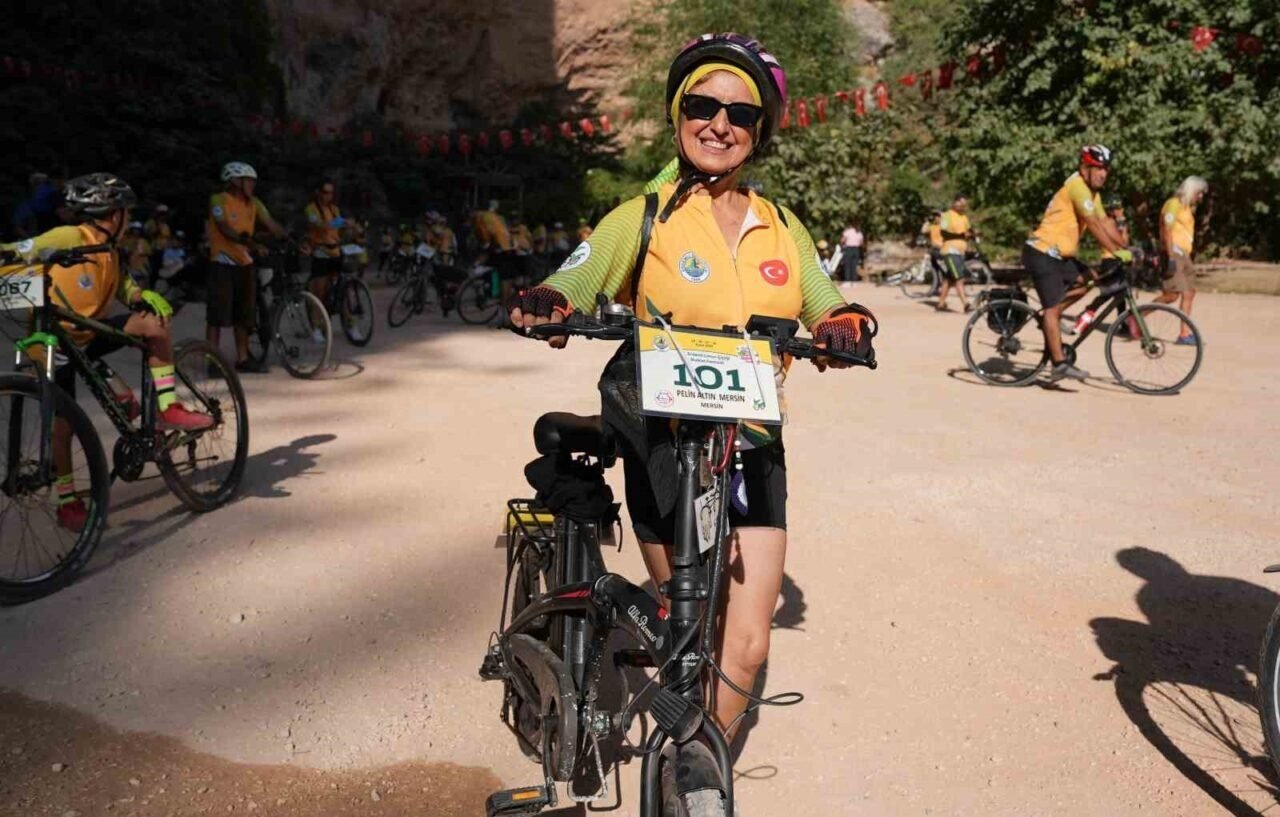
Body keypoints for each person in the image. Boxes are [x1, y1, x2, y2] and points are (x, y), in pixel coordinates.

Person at [508, 32, 877, 739]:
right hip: (664, 438)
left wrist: (844, 325)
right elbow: (581, 273)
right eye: (703, 106)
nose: (719, 124)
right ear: (679, 115)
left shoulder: (781, 225)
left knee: (748, 644)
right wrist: (552, 299)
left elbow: (826, 301)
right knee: (687, 621)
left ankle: (699, 766)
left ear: (759, 131)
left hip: (751, 440)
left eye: (740, 114)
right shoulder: (645, 215)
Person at [0, 173, 213, 531]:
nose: (128, 220)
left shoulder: (110, 251)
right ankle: (67, 501)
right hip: (55, 340)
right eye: (126, 213)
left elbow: (122, 285)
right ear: (115, 216)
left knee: (154, 324)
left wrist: (139, 295)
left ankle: (168, 407)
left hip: (89, 333)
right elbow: (24, 249)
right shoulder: (70, 236)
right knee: (62, 427)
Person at [1022, 145, 1131, 381]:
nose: (1103, 174)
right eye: (1098, 168)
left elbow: (1105, 223)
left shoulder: (1093, 194)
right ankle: (1059, 364)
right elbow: (1093, 225)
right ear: (1084, 168)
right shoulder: (1077, 187)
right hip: (1042, 253)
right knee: (1051, 309)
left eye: (1106, 169)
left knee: (1089, 279)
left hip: (1060, 256)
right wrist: (1115, 251)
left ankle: (1051, 320)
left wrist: (1126, 248)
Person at [206, 161, 288, 373]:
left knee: (243, 315)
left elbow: (271, 223)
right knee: (217, 315)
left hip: (245, 263)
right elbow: (225, 228)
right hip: (222, 263)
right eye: (248, 180)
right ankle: (212, 361)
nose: (252, 184)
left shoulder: (255, 203)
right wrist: (251, 244)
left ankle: (243, 359)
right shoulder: (218, 200)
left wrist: (291, 239)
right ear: (234, 181)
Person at [1156, 176, 1207, 343]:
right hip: (1174, 252)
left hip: (1185, 254)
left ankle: (1184, 333)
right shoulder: (1173, 203)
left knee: (1189, 292)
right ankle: (1136, 318)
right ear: (1190, 190)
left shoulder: (1187, 208)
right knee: (1171, 295)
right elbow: (1166, 228)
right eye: (1198, 193)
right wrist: (1170, 255)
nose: (1200, 196)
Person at [303, 179, 344, 334]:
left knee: (336, 288)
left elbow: (340, 227)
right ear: (318, 193)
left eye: (331, 193)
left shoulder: (334, 209)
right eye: (326, 192)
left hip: (336, 250)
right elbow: (319, 224)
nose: (329, 196)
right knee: (319, 291)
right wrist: (341, 222)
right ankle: (316, 326)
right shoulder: (311, 209)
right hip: (320, 250)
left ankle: (330, 320)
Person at [936, 195, 974, 312]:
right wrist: (961, 235)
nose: (963, 206)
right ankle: (966, 303)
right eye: (960, 203)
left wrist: (972, 234)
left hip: (961, 252)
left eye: (964, 204)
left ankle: (941, 303)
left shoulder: (964, 217)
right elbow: (944, 233)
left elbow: (968, 231)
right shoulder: (947, 216)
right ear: (955, 203)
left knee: (949, 278)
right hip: (950, 251)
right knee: (959, 278)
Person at [838, 218, 864, 283]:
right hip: (855, 249)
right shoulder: (859, 233)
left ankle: (848, 280)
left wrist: (842, 246)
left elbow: (842, 240)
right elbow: (861, 243)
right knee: (853, 265)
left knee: (849, 265)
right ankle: (853, 280)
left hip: (849, 249)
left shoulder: (848, 232)